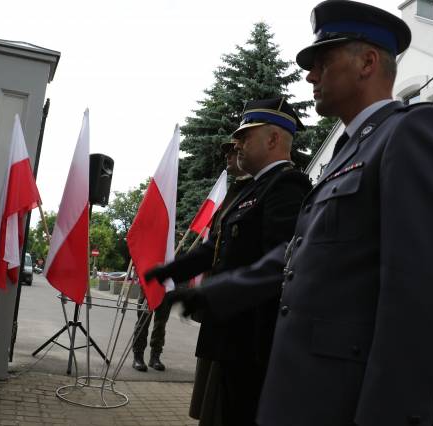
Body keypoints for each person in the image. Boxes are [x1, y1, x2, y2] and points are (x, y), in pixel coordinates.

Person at [168, 1, 433, 425]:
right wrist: (217, 291)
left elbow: (420, 298)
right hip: (302, 393)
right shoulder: (347, 151)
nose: (311, 75)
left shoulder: (413, 133)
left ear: (367, 62)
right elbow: (300, 252)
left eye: (323, 60)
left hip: (345, 403)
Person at [145, 97, 312, 426]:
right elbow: (216, 247)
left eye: (245, 137)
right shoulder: (255, 188)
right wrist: (169, 270)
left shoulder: (287, 186)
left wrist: (209, 294)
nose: (238, 145)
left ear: (274, 139)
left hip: (253, 339)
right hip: (230, 333)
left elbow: (279, 261)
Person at [188, 138, 252, 425]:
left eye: (235, 151)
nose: (229, 156)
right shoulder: (235, 193)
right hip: (218, 302)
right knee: (208, 388)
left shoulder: (261, 190)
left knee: (221, 394)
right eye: (227, 151)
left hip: (234, 307)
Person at [132, 283, 172, 372]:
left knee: (161, 324)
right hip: (149, 282)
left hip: (167, 286)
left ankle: (155, 357)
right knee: (143, 322)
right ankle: (138, 357)